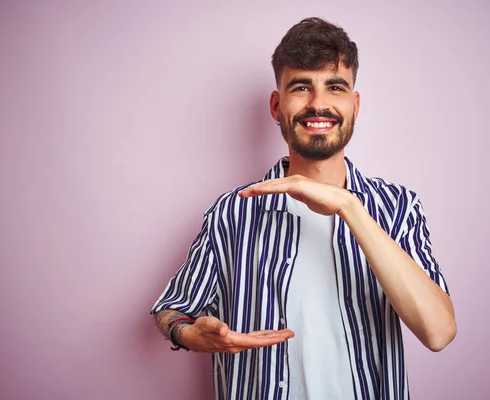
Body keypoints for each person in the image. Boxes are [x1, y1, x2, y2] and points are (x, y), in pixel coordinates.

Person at [150, 17, 456, 400]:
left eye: (335, 87)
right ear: (277, 105)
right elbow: (171, 308)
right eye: (301, 87)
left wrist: (349, 206)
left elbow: (439, 331)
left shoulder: (398, 208)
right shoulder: (233, 212)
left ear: (355, 105)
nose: (318, 104)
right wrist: (187, 333)